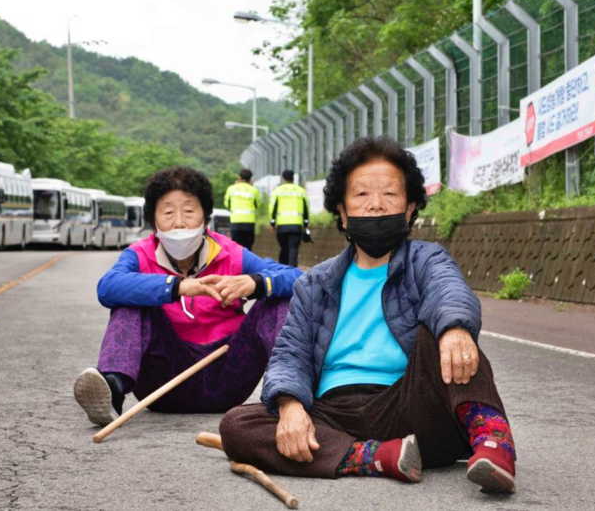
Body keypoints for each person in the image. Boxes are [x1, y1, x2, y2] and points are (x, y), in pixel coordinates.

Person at [219, 138, 517, 493]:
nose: (376, 206)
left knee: (442, 334)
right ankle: (376, 456)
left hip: (410, 407)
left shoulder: (427, 259)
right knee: (237, 425)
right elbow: (291, 354)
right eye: (361, 196)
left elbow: (448, 291)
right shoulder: (314, 283)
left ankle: (494, 442)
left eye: (390, 195)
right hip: (333, 416)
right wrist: (290, 406)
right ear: (342, 212)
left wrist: (454, 327)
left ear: (409, 209)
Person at [73, 166, 303, 425]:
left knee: (277, 296)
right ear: (153, 221)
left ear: (206, 219)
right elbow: (107, 288)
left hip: (228, 377)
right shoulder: (138, 254)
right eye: (168, 212)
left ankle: (293, 397)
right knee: (129, 299)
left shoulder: (232, 253)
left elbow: (299, 279)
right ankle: (112, 388)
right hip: (163, 385)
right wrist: (178, 286)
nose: (179, 222)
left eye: (190, 211)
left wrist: (255, 282)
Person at [269, 170, 309, 266]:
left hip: (282, 226)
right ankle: (293, 270)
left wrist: (272, 223)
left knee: (283, 248)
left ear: (283, 179)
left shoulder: (277, 191)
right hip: (296, 225)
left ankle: (282, 269)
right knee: (293, 248)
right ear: (293, 179)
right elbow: (306, 208)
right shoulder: (301, 191)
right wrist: (306, 224)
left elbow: (272, 208)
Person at [224, 168, 261, 251]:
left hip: (236, 222)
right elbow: (257, 205)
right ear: (250, 179)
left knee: (236, 247)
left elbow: (227, 204)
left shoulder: (231, 188)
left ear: (239, 177)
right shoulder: (254, 190)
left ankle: (237, 264)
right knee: (248, 247)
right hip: (249, 223)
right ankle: (246, 264)